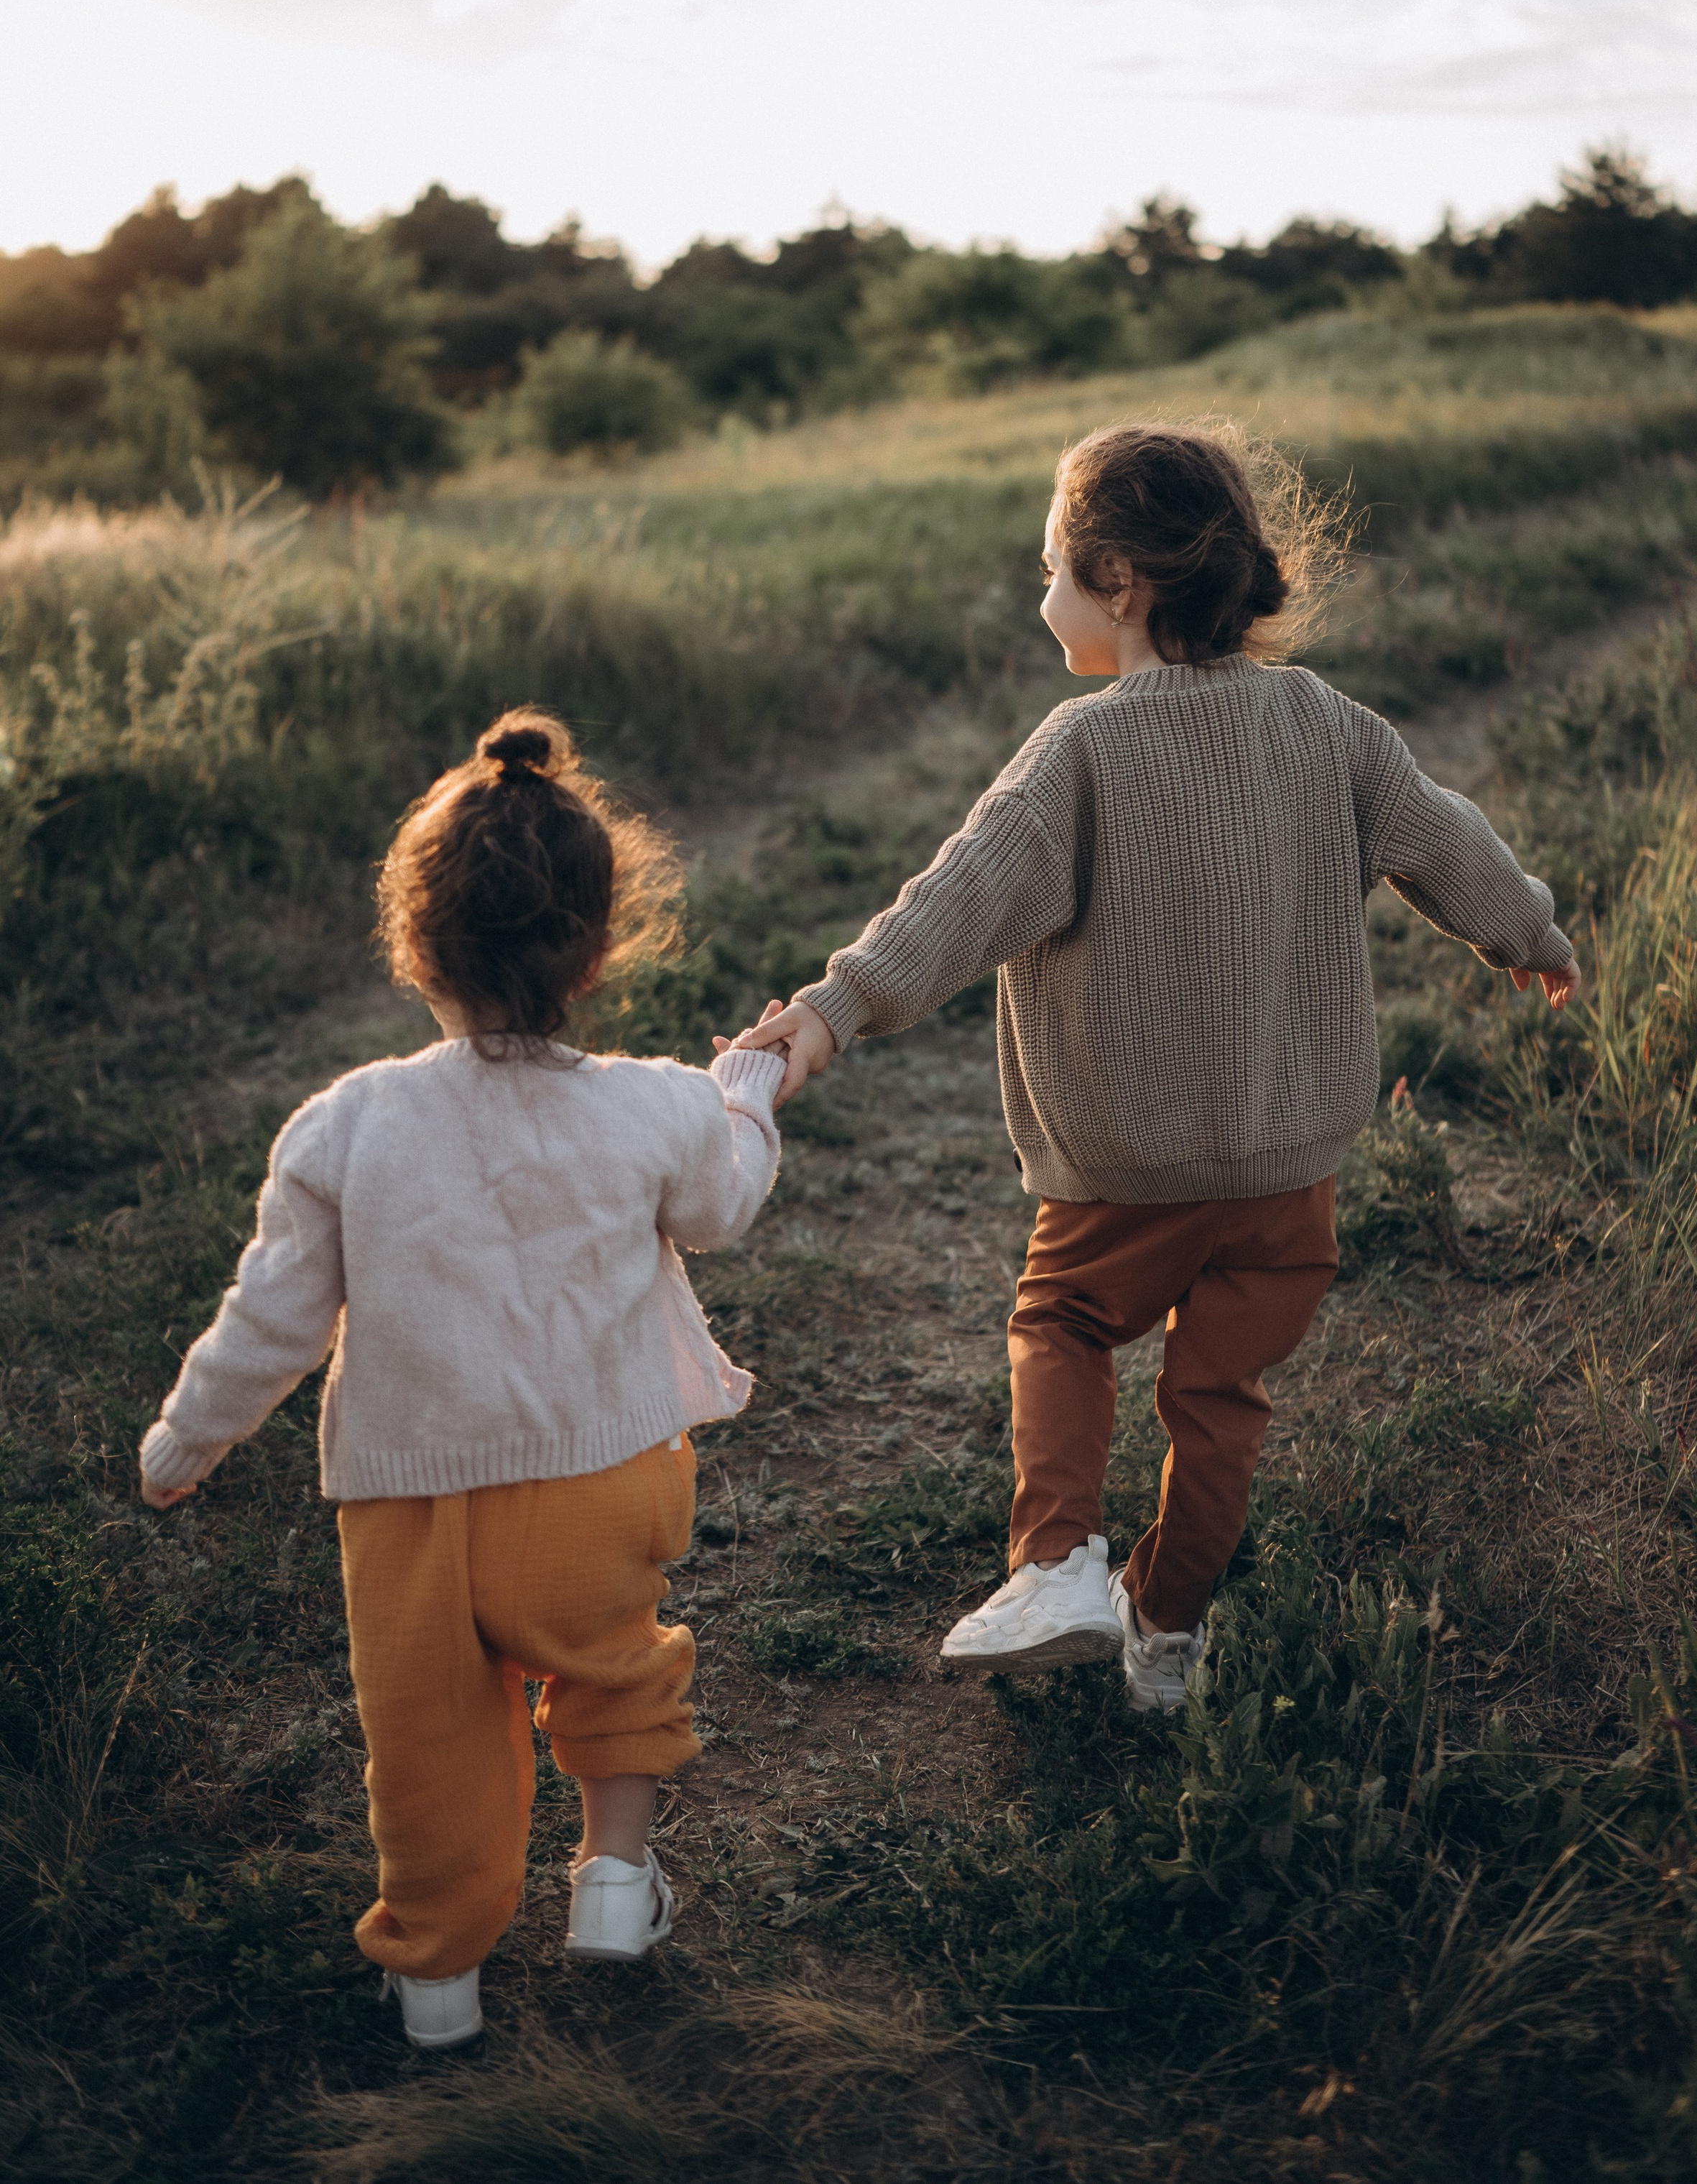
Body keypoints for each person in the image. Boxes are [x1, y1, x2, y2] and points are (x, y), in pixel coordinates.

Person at [728, 422, 1580, 1715]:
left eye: (1054, 569)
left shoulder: (1082, 745)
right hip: (1290, 1166)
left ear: (1119, 582)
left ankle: (1061, 1561)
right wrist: (1524, 929)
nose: (1043, 596)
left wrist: (835, 1010)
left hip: (1126, 1161)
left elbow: (961, 900)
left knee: (1062, 1324)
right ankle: (1166, 1636)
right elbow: (1445, 839)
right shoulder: (1330, 723)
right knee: (1220, 1400)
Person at [139, 710, 787, 2049]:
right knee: (613, 1670)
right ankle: (613, 1883)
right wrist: (744, 1093)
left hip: (408, 1503)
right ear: (599, 951)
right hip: (600, 1479)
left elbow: (272, 1318)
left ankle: (438, 1982)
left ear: (413, 946)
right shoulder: (653, 1104)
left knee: (428, 1745)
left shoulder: (348, 1124)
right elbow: (724, 1202)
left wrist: (184, 1442)